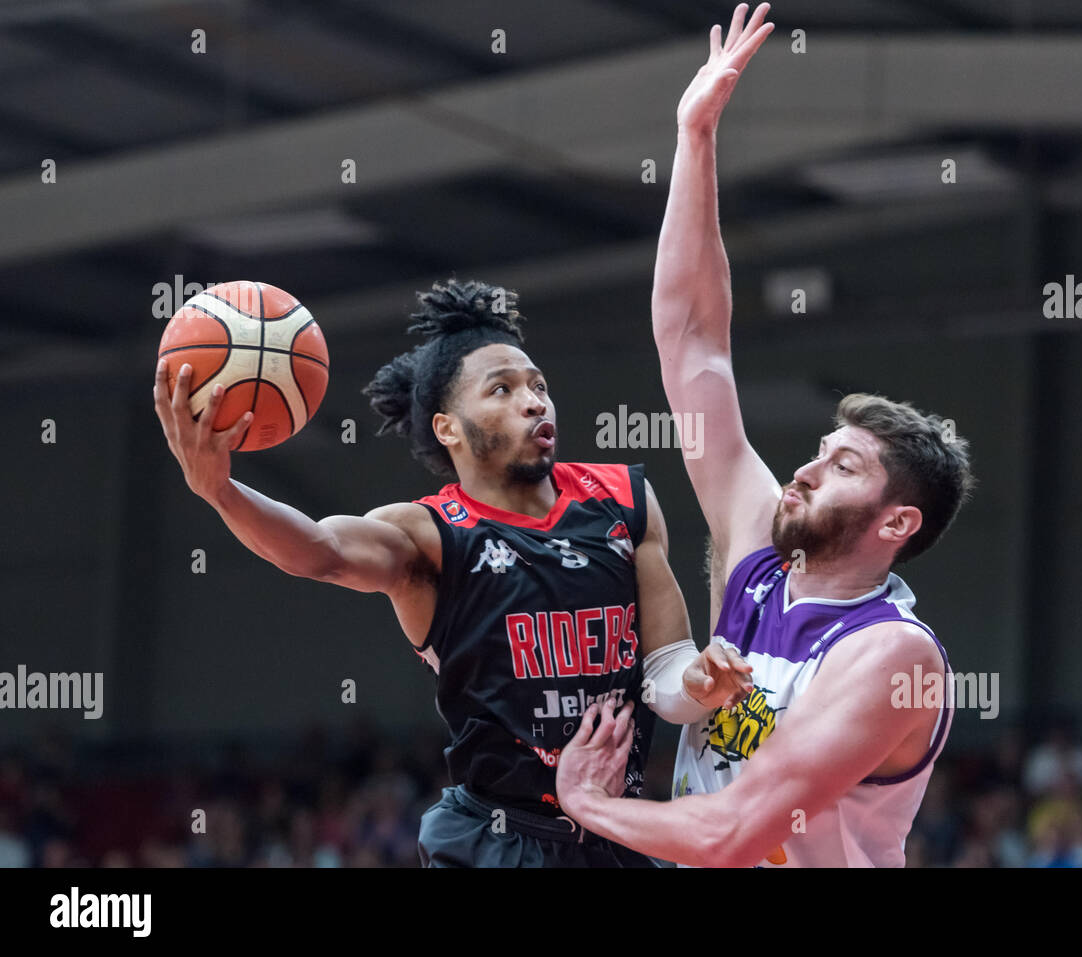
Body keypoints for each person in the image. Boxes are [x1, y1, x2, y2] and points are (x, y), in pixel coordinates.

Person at [555, 4, 975, 867]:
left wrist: (587, 802)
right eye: (821, 448)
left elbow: (734, 831)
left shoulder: (893, 658)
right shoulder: (758, 547)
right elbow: (693, 342)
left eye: (845, 464)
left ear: (897, 523)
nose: (810, 467)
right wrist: (695, 137)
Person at [153, 277, 751, 867]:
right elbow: (319, 550)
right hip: (495, 842)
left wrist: (699, 685)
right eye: (502, 389)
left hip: (614, 833)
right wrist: (220, 491)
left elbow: (665, 671)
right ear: (447, 427)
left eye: (538, 385)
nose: (534, 400)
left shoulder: (624, 500)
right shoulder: (430, 536)